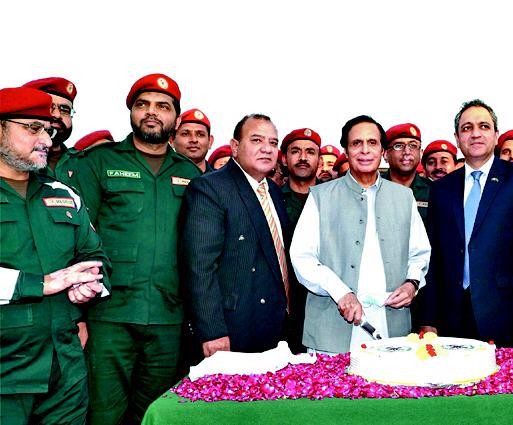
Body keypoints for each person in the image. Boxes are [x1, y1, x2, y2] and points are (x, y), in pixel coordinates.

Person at [67, 73, 201, 425]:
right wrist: (77, 316)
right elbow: (77, 240)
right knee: (104, 413)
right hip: (109, 314)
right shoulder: (99, 162)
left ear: (176, 118)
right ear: (131, 112)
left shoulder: (191, 173)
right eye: (143, 104)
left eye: (163, 106)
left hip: (168, 316)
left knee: (156, 414)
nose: (152, 112)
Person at [0, 86, 110, 425]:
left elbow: (96, 256)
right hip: (6, 368)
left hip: (65, 368)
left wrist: (91, 284)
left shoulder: (63, 193)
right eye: (33, 128)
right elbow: (47, 282)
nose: (46, 139)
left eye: (47, 130)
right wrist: (40, 284)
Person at [290, 115, 431, 354]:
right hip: (331, 332)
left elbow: (419, 254)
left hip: (391, 330)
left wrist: (412, 284)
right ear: (346, 150)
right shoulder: (320, 196)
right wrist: (341, 292)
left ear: (383, 151)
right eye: (357, 143)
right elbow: (302, 257)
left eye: (372, 143)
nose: (365, 150)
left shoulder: (404, 197)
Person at [420, 99, 513, 348]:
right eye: (467, 128)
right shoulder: (442, 188)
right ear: (457, 138)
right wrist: (428, 318)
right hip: (451, 316)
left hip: (505, 314)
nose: (476, 134)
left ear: (496, 134)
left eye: (484, 126)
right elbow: (433, 257)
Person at [180, 114, 291, 356]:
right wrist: (212, 331)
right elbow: (199, 266)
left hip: (274, 326)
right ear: (234, 146)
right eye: (256, 140)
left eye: (273, 142)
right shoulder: (210, 188)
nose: (267, 148)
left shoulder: (273, 191)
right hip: (232, 330)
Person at [279, 127, 322, 353]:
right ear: (284, 159)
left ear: (320, 161)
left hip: (325, 301)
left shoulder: (333, 198)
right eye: (295, 151)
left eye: (310, 152)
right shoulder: (272, 198)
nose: (303, 157)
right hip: (283, 304)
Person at [23, 77, 77, 175]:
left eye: (64, 110)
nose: (57, 115)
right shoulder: (9, 162)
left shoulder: (86, 163)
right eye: (49, 107)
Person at [381, 123, 431, 223]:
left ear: (421, 153)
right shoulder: (373, 188)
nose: (407, 152)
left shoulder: (434, 191)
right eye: (398, 146)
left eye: (413, 145)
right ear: (385, 154)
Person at [171, 108, 214, 173]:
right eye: (185, 134)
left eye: (201, 135)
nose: (194, 140)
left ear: (210, 141)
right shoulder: (160, 176)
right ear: (171, 140)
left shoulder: (222, 178)